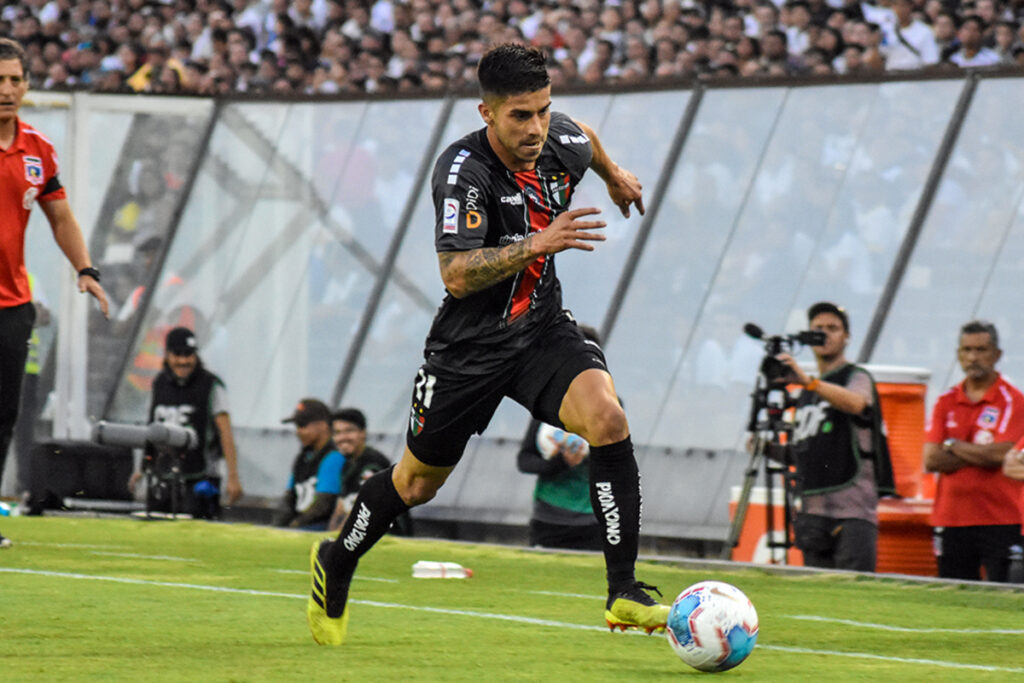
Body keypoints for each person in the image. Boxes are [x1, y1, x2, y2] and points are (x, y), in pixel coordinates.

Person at [307, 43, 662, 646]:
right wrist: (536, 243)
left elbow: (585, 135)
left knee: (606, 417)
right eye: (520, 116)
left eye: (543, 111)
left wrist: (616, 175)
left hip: (542, 330)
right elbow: (455, 274)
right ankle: (336, 558)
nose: (536, 127)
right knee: (417, 484)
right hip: (469, 348)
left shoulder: (561, 138)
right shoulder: (462, 173)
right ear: (486, 113)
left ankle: (622, 592)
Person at [0, 38, 109, 549]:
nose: (6, 90)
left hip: (12, 306)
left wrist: (86, 269)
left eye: (14, 80)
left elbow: (60, 215)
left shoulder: (37, 150)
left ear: (26, 84)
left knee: (4, 415)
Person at [775, 302, 896, 572]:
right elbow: (803, 451)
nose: (825, 334)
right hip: (812, 511)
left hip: (852, 513)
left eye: (833, 328)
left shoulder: (856, 376)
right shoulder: (808, 391)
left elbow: (856, 403)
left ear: (846, 336)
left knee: (854, 593)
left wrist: (810, 382)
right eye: (818, 328)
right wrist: (767, 448)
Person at [923, 320, 1024, 582]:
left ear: (997, 355)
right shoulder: (946, 400)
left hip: (1001, 518)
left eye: (981, 350)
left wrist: (953, 445)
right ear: (958, 354)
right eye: (967, 350)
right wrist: (979, 453)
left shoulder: (1012, 400)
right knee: (954, 598)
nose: (973, 357)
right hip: (951, 517)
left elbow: (1001, 454)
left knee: (1004, 596)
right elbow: (931, 458)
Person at [128, 327, 243, 518]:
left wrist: (233, 476)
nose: (183, 361)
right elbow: (151, 429)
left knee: (198, 530)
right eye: (177, 355)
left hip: (200, 478)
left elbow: (226, 432)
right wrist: (140, 469)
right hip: (163, 475)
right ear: (167, 355)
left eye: (189, 355)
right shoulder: (159, 384)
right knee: (157, 527)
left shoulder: (211, 385)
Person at [516, 324, 603, 551]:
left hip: (591, 519)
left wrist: (584, 455)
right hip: (548, 519)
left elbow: (617, 458)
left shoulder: (609, 405)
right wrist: (559, 462)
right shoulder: (544, 402)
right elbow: (524, 460)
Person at [326, 408, 410, 536]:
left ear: (363, 433)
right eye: (337, 432)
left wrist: (338, 540)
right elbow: (340, 509)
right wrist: (329, 535)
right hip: (358, 535)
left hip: (387, 536)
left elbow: (362, 510)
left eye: (349, 431)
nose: (342, 437)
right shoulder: (347, 465)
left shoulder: (373, 462)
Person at [276, 398, 344, 530]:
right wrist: (277, 527)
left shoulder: (334, 457)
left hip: (321, 526)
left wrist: (294, 527)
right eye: (297, 426)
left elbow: (323, 505)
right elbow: (289, 497)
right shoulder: (303, 457)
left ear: (323, 425)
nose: (298, 431)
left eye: (302, 425)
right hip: (302, 524)